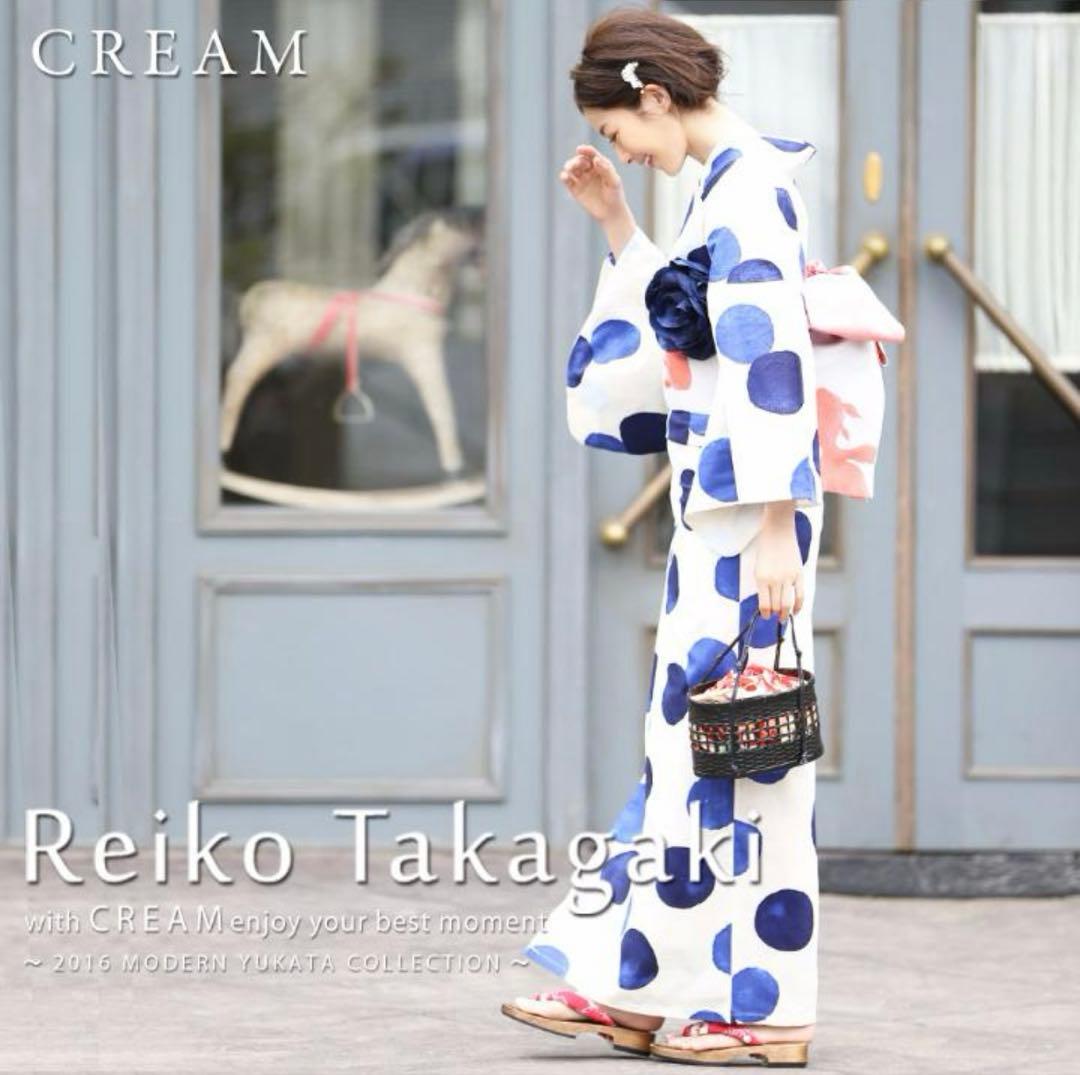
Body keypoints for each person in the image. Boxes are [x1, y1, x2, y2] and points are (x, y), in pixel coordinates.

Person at [500, 7, 824, 1067]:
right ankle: (631, 985)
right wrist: (617, 222)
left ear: (653, 95)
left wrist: (775, 524)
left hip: (747, 520)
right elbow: (696, 336)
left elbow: (771, 358)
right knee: (692, 753)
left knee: (746, 760)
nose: (624, 150)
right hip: (721, 512)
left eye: (619, 132)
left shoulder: (749, 191)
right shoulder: (722, 186)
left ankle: (764, 1007)